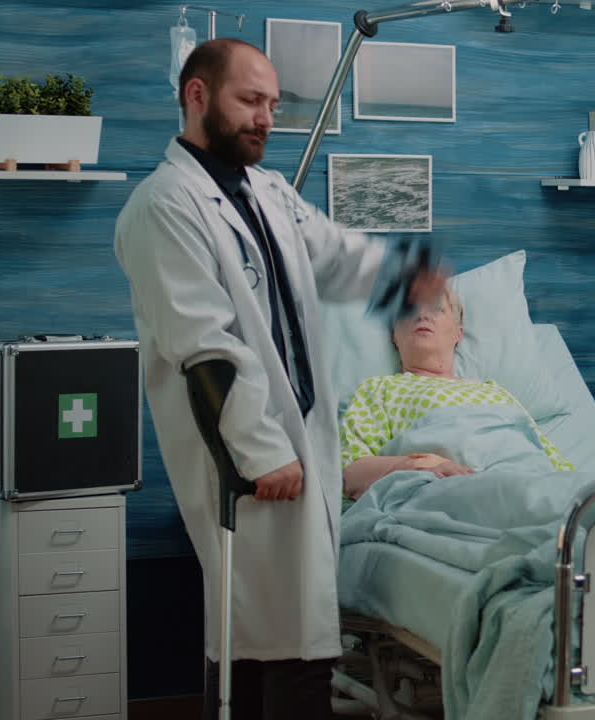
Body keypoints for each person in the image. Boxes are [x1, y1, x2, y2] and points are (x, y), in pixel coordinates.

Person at [113, 38, 443, 720]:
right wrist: (262, 451)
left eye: (272, 103)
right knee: (259, 629)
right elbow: (202, 347)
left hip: (300, 440)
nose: (266, 117)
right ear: (197, 96)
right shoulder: (164, 205)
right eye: (250, 100)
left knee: (288, 631)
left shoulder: (266, 191)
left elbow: (333, 255)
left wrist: (401, 276)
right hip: (246, 453)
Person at [340, 285, 575, 500]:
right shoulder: (379, 389)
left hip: (529, 486)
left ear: (458, 334)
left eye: (436, 309)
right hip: (447, 494)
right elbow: (350, 474)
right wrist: (421, 467)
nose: (422, 315)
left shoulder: (497, 393)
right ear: (394, 336)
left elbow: (557, 470)